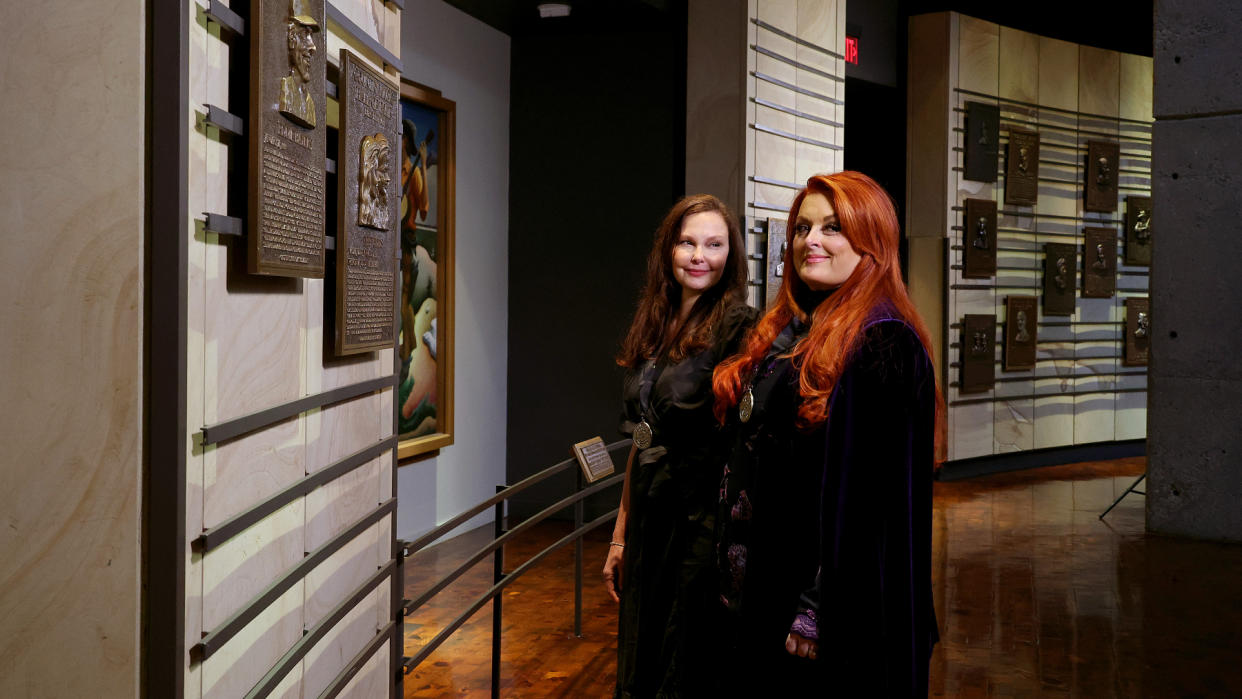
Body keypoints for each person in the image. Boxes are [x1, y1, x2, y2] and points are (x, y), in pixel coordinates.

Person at [712, 171, 943, 696]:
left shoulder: (882, 341)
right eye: (803, 228)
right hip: (763, 585)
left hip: (818, 610)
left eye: (833, 228)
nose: (810, 241)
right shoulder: (796, 325)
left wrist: (817, 609)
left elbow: (868, 505)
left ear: (871, 241)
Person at [604, 194, 756, 698]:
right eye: (687, 242)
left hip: (700, 520)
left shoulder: (739, 327)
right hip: (651, 512)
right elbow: (641, 441)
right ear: (668, 250)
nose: (699, 256)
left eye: (713, 245)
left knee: (685, 654)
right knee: (640, 647)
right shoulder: (654, 319)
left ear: (730, 255)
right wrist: (620, 536)